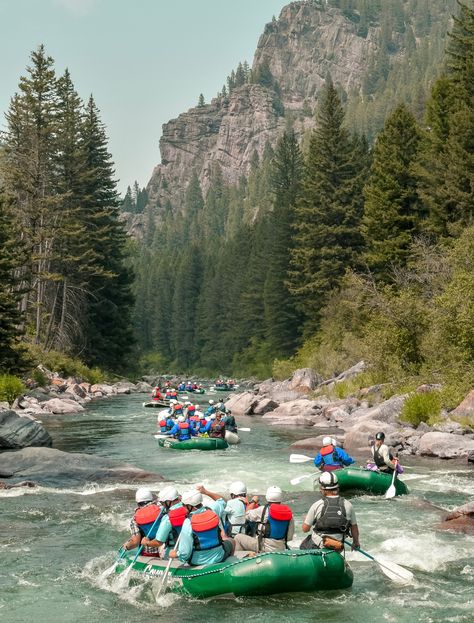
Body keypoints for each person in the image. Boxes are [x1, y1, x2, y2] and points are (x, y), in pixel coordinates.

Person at [169, 490, 234, 566]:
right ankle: (229, 564)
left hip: (197, 561)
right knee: (232, 541)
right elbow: (222, 501)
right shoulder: (213, 510)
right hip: (219, 557)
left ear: (190, 506)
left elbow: (185, 554)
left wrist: (176, 554)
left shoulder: (188, 522)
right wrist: (205, 491)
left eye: (184, 505)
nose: (183, 507)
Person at [300, 472, 360, 552]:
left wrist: (305, 520)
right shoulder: (348, 505)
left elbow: (305, 529)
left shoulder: (317, 505)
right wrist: (356, 542)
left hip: (319, 545)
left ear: (322, 488)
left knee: (303, 545)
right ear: (337, 487)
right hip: (338, 546)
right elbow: (354, 528)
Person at [234, 486, 294, 553]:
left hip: (264, 547)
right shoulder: (289, 514)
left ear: (267, 497)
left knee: (238, 538)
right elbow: (289, 537)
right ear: (280, 497)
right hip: (281, 548)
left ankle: (242, 559)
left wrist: (253, 501)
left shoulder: (263, 510)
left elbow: (247, 514)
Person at [141, 486, 187, 557]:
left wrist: (147, 543)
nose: (162, 505)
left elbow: (159, 542)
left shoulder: (167, 518)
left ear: (168, 502)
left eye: (163, 503)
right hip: (189, 549)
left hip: (174, 551)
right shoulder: (188, 508)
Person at [122, 488, 164, 557]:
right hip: (164, 549)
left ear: (137, 502)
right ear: (151, 499)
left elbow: (135, 542)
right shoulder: (161, 509)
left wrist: (127, 546)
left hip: (149, 554)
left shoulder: (134, 519)